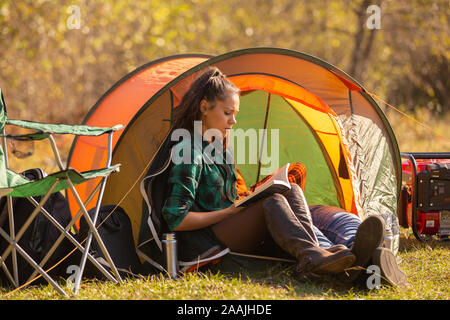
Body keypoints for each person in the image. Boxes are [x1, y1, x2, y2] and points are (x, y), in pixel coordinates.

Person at [160, 66, 406, 285]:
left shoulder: (219, 146)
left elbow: (233, 192)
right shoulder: (188, 151)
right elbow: (176, 219)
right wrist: (229, 212)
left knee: (289, 188)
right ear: (204, 107)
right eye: (227, 113)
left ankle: (337, 257)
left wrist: (254, 193)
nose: (234, 121)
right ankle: (319, 257)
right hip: (206, 241)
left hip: (231, 224)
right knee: (272, 201)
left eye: (235, 113)